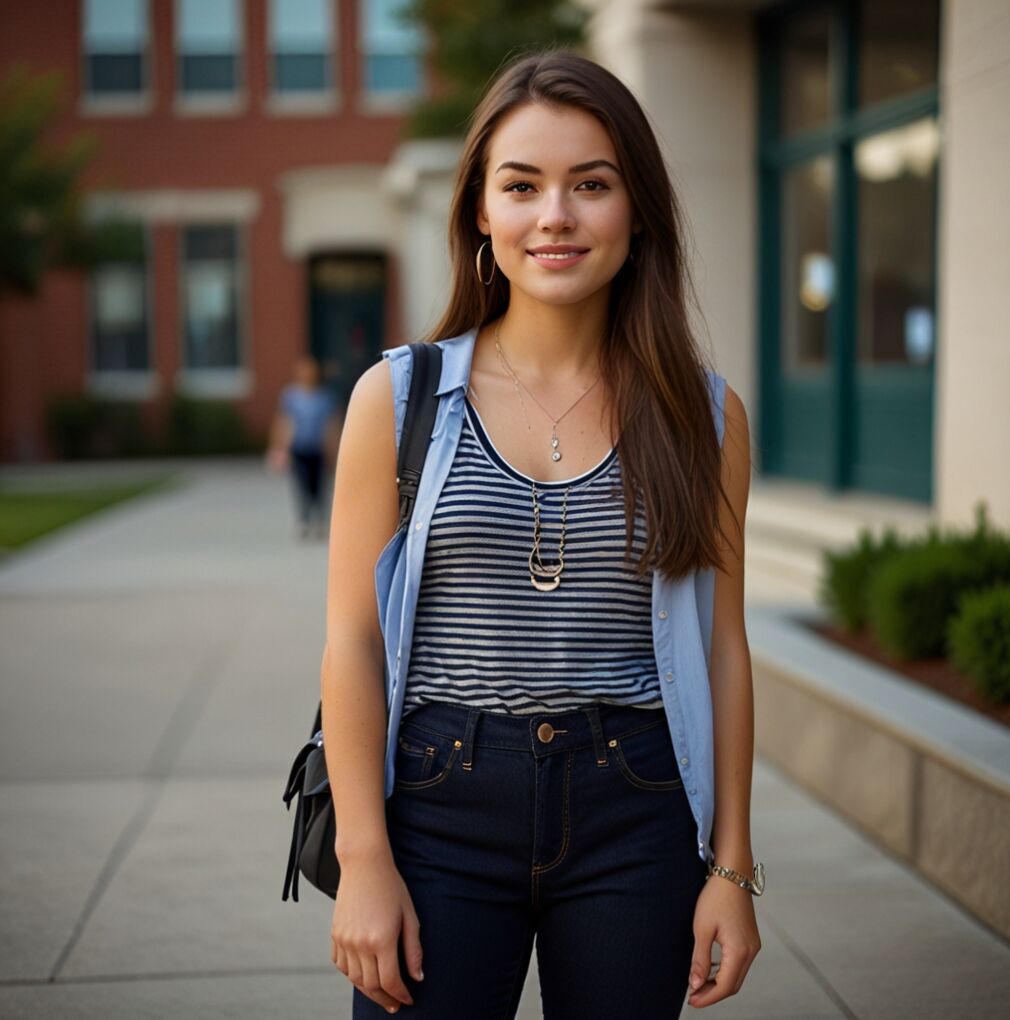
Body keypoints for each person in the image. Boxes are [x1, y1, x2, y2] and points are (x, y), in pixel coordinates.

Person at [321, 50, 762, 1018]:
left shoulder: (706, 415)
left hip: (635, 808)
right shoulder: (398, 399)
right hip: (438, 803)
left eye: (591, 185)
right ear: (481, 210)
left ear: (637, 210)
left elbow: (724, 647)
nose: (554, 216)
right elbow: (353, 639)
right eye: (521, 186)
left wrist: (734, 868)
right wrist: (363, 861)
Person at [265, 355, 341, 540]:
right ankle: (304, 520)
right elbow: (283, 421)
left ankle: (320, 521)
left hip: (318, 449)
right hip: (298, 448)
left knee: (319, 486)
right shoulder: (291, 396)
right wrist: (277, 447)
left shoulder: (325, 397)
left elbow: (332, 424)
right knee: (301, 485)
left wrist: (334, 449)